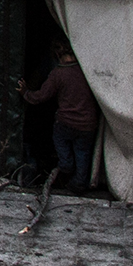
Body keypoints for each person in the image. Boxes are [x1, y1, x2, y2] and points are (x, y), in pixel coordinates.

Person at [20, 41, 98, 193]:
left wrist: (26, 93)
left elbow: (41, 96)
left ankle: (66, 166)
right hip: (88, 124)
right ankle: (79, 184)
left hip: (66, 123)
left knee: (62, 144)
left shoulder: (58, 73)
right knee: (83, 153)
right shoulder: (86, 70)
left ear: (56, 55)